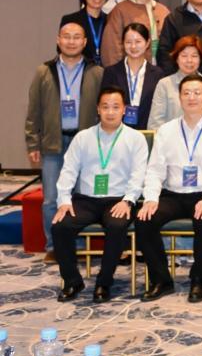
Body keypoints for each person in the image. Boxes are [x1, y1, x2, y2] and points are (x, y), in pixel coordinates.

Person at [136, 73, 202, 303]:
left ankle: (198, 278)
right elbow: (155, 170)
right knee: (144, 220)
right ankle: (161, 280)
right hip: (173, 195)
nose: (191, 97)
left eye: (197, 93)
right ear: (179, 97)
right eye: (186, 93)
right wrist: (150, 199)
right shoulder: (166, 130)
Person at [52, 86, 148, 303]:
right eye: (105, 107)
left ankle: (104, 282)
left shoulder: (135, 139)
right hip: (86, 199)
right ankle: (72, 281)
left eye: (115, 107)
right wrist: (64, 201)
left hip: (118, 200)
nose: (110, 112)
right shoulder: (83, 138)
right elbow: (68, 171)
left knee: (117, 225)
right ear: (98, 109)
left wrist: (128, 201)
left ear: (124, 109)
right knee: (60, 226)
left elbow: (139, 174)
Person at [25, 21, 104, 258]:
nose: (71, 41)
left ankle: (76, 246)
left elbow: (103, 110)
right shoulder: (44, 71)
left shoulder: (96, 72)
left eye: (76, 37)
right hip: (53, 142)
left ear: (84, 42)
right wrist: (32, 142)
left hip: (84, 145)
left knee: (80, 198)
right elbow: (33, 110)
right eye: (66, 36)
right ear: (58, 40)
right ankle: (53, 247)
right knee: (51, 198)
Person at [100, 0, 170, 66]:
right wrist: (116, 72)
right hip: (129, 70)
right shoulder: (120, 10)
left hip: (160, 70)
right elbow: (111, 47)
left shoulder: (163, 10)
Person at [100, 22, 163, 129]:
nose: (133, 46)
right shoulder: (111, 72)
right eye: (128, 42)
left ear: (147, 43)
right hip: (118, 131)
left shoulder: (158, 74)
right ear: (123, 44)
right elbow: (104, 104)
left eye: (138, 41)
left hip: (148, 131)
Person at [149, 36, 202, 130]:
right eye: (184, 56)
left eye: (194, 56)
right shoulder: (164, 84)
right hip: (170, 138)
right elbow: (155, 123)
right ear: (176, 58)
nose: (189, 60)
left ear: (200, 59)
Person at [60, 0, 109, 66]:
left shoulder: (111, 20)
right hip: (79, 69)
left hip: (107, 70)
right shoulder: (71, 20)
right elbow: (62, 48)